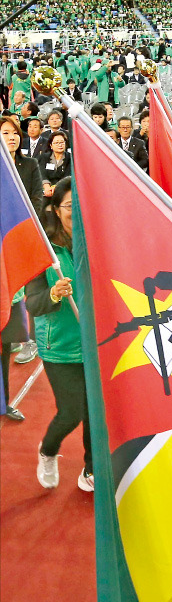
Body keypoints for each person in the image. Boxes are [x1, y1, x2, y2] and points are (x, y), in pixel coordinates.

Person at [25, 178, 94, 492]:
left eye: (80, 206)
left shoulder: (94, 242)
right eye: (69, 207)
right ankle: (48, 449)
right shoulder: (44, 251)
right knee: (72, 411)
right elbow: (33, 304)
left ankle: (91, 468)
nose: (76, 212)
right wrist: (53, 294)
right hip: (60, 348)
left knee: (97, 411)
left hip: (96, 343)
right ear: (55, 209)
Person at [0, 116, 43, 420]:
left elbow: (38, 198)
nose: (11, 138)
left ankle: (3, 402)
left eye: (14, 134)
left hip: (18, 244)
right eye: (5, 134)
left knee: (5, 341)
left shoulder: (28, 166)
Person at [38, 131, 71, 198]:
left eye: (62, 142)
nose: (60, 145)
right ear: (51, 145)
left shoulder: (70, 158)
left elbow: (68, 175)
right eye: (56, 143)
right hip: (46, 190)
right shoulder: (44, 157)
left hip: (64, 190)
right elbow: (41, 172)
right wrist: (46, 186)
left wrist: (56, 187)